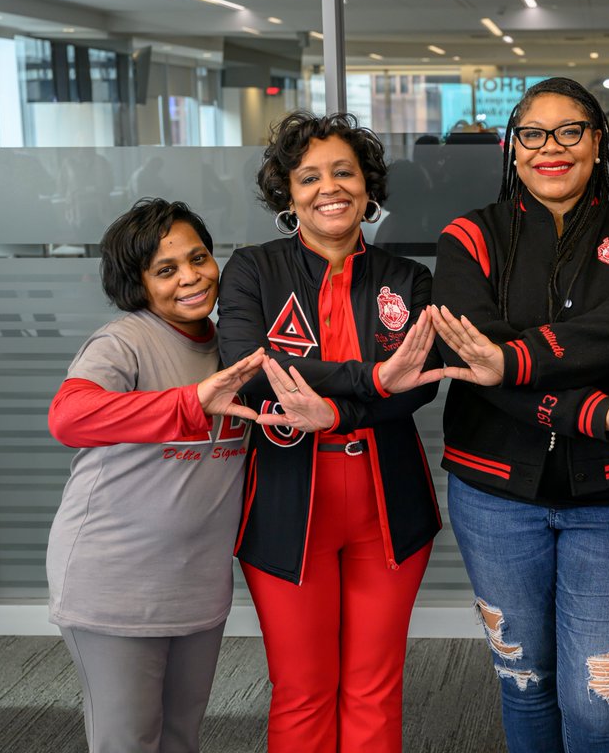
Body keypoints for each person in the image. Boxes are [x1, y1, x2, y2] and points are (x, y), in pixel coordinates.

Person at [430, 76, 609, 753]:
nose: (552, 147)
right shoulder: (469, 236)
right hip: (493, 495)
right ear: (513, 149)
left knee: (601, 699)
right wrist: (590, 414)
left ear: (597, 142)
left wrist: (517, 358)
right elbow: (470, 358)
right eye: (533, 134)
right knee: (525, 682)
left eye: (570, 131)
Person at [216, 111, 443, 752]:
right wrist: (372, 379)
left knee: (375, 687)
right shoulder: (253, 270)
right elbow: (251, 369)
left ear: (367, 186)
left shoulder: (408, 278)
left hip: (388, 505)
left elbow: (421, 383)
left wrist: (338, 411)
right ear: (287, 194)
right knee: (302, 688)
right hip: (286, 505)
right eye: (309, 176)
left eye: (344, 172)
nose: (329, 188)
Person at [46, 198, 274, 753]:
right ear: (138, 284)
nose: (191, 277)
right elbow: (69, 417)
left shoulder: (233, 345)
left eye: (198, 258)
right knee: (128, 741)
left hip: (197, 587)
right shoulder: (124, 341)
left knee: (179, 738)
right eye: (165, 270)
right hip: (116, 586)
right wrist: (189, 402)